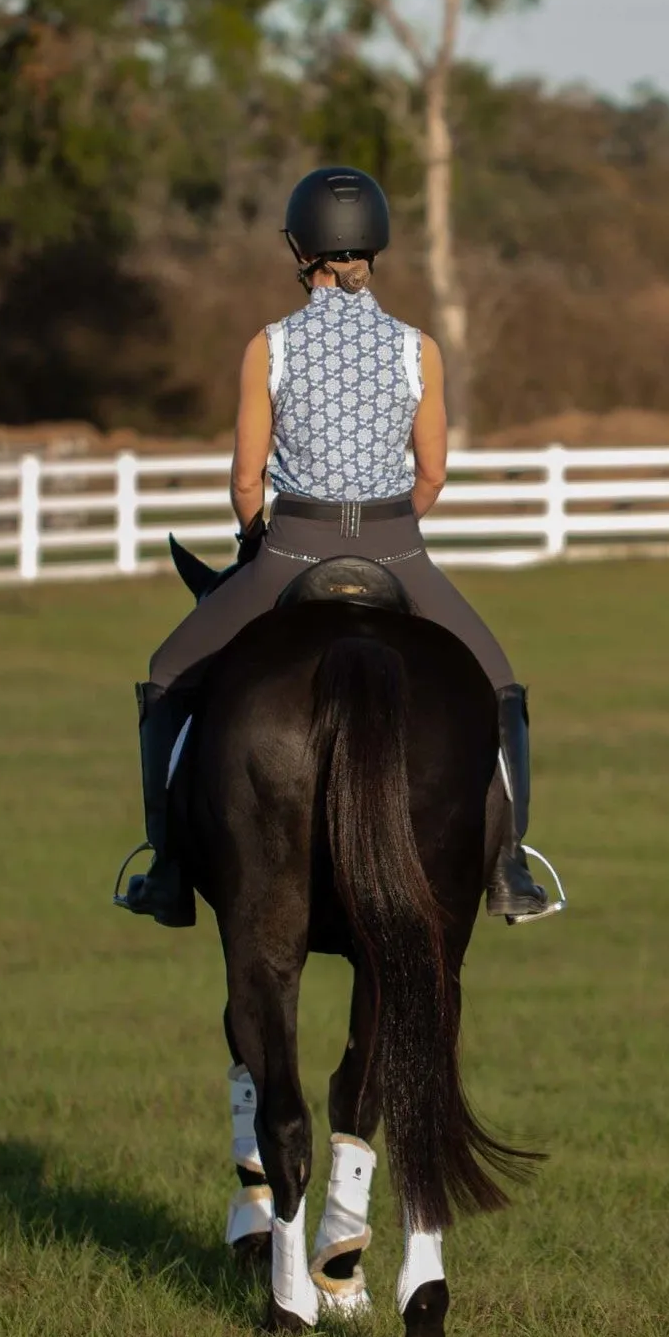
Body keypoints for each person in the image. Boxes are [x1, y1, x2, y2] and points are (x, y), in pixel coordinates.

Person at [117, 165, 550, 927]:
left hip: (291, 546)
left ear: (300, 245)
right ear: (373, 244)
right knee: (499, 683)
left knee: (165, 673)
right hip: (397, 548)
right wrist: (391, 527)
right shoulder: (419, 349)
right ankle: (512, 865)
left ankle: (167, 868)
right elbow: (435, 471)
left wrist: (258, 543)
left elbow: (248, 481)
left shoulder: (271, 346)